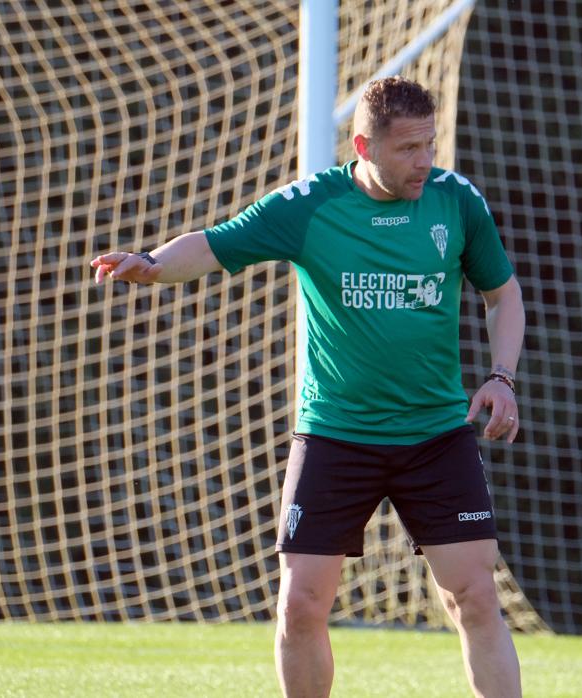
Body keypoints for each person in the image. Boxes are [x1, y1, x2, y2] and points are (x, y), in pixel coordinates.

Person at [91, 76, 525, 698]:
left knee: (476, 597)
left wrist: (502, 376)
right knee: (300, 605)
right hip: (337, 435)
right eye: (407, 148)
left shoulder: (456, 201)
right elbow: (215, 244)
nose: (424, 160)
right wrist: (154, 264)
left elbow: (502, 294)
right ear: (364, 146)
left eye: (429, 144)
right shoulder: (310, 205)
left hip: (435, 435)